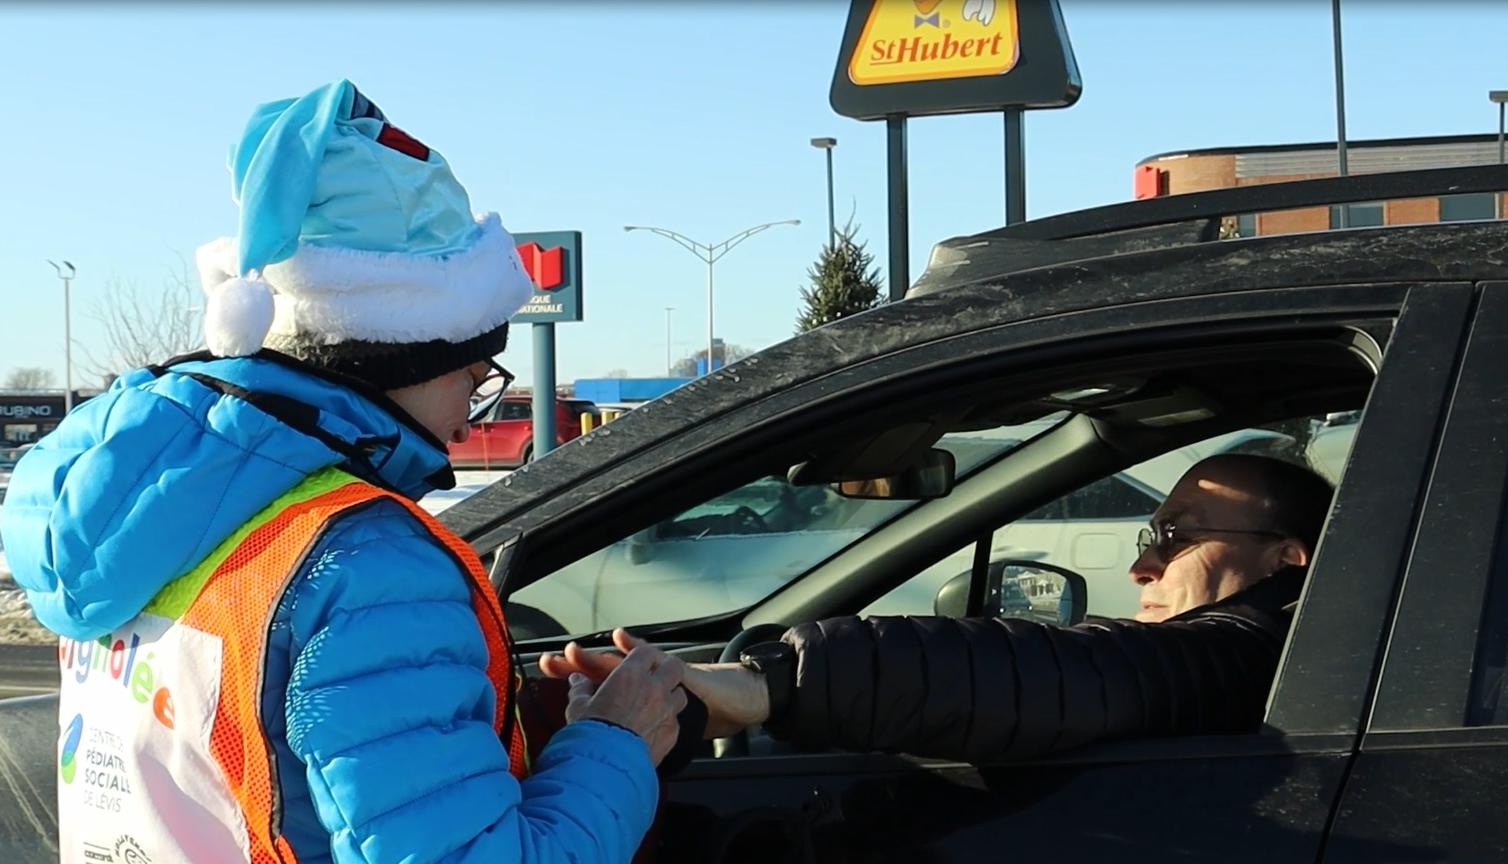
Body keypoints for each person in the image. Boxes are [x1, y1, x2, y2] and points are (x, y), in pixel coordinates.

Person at [0, 80, 685, 864]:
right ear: (407, 351)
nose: (469, 419)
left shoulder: (126, 514)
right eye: (474, 373)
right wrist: (617, 740)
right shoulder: (366, 567)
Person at [570, 454, 1335, 762]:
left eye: (1178, 538)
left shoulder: (1250, 656)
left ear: (1286, 556)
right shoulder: (1317, 647)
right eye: (1149, 534)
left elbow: (1074, 674)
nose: (1144, 564)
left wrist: (769, 686)